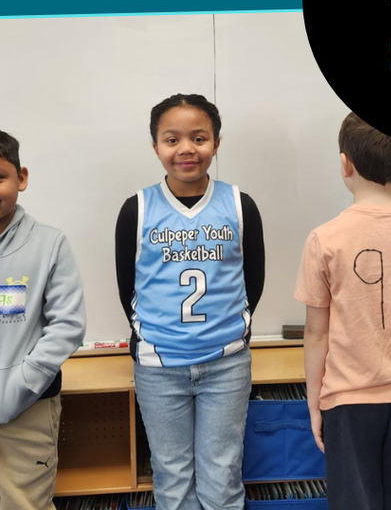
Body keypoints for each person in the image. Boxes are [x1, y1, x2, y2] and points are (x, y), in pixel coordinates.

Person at [114, 94, 265, 510]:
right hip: (159, 368)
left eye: (199, 138)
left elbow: (254, 280)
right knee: (172, 474)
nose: (186, 149)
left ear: (216, 143)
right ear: (155, 146)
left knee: (222, 474)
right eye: (172, 139)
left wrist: (233, 333)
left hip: (226, 365)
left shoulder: (238, 204)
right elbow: (128, 286)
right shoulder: (137, 209)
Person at [295, 113, 391, 510]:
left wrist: (314, 400)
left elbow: (316, 334)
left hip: (348, 401)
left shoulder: (324, 240)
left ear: (345, 164)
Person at [0, 124, 86, 510]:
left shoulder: (48, 243)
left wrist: (23, 384)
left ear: (20, 178)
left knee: (26, 505)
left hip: (26, 408)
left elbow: (68, 324)